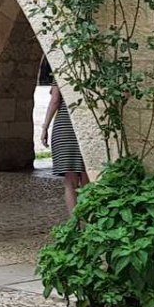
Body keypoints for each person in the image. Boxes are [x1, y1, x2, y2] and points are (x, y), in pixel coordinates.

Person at [42, 78, 87, 213]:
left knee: (70, 181)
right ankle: (90, 221)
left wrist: (45, 127)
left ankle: (74, 221)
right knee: (87, 178)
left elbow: (55, 100)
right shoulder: (93, 71)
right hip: (87, 127)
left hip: (64, 128)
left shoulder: (63, 72)